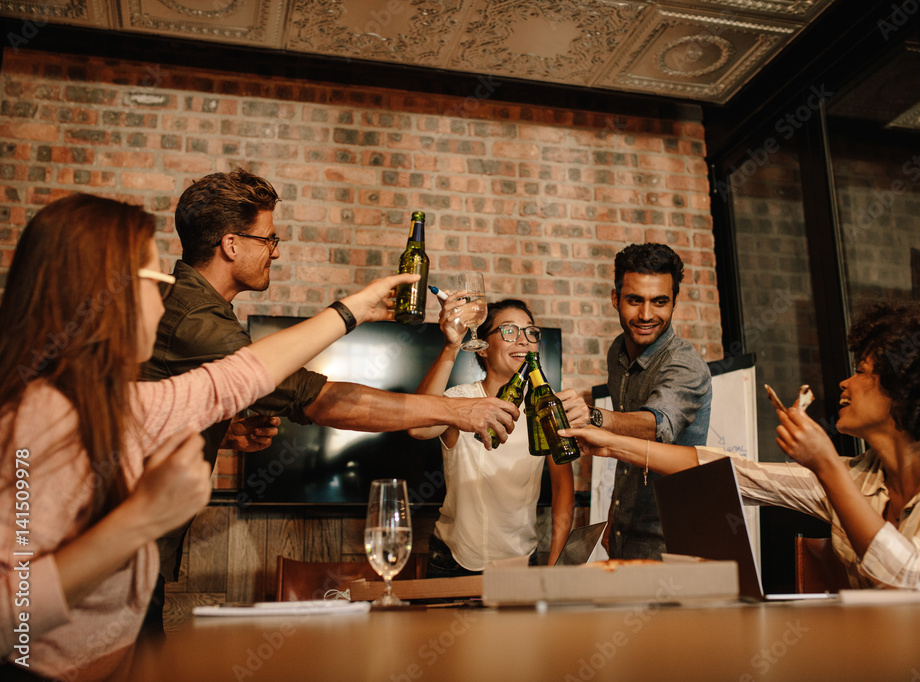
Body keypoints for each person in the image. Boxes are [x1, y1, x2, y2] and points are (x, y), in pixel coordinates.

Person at [0, 193, 420, 679]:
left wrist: (353, 310)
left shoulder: (118, 404)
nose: (165, 301)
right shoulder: (36, 419)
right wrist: (141, 519)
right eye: (156, 281)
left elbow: (236, 379)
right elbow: (13, 615)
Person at [140, 169, 518, 622]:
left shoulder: (196, 309)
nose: (276, 252)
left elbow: (154, 414)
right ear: (231, 244)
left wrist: (222, 432)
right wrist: (459, 410)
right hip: (126, 554)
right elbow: (318, 398)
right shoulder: (197, 322)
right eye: (269, 239)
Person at [563, 300, 920, 591]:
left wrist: (826, 463)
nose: (845, 382)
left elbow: (916, 578)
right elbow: (731, 472)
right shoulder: (861, 478)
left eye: (863, 371)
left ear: (908, 387)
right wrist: (609, 442)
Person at [560, 243, 711, 560]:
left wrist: (595, 417)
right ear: (615, 299)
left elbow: (654, 425)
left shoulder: (686, 365)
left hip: (672, 540)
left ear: (674, 303)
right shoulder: (618, 352)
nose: (646, 315)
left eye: (659, 302)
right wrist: (616, 508)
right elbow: (628, 445)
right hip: (624, 528)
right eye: (634, 300)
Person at [408, 297, 575, 575]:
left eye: (530, 332)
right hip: (454, 561)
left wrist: (555, 563)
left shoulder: (547, 406)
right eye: (509, 331)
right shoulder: (460, 399)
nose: (523, 341)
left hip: (521, 562)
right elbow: (417, 427)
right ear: (483, 348)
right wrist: (451, 347)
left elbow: (563, 490)